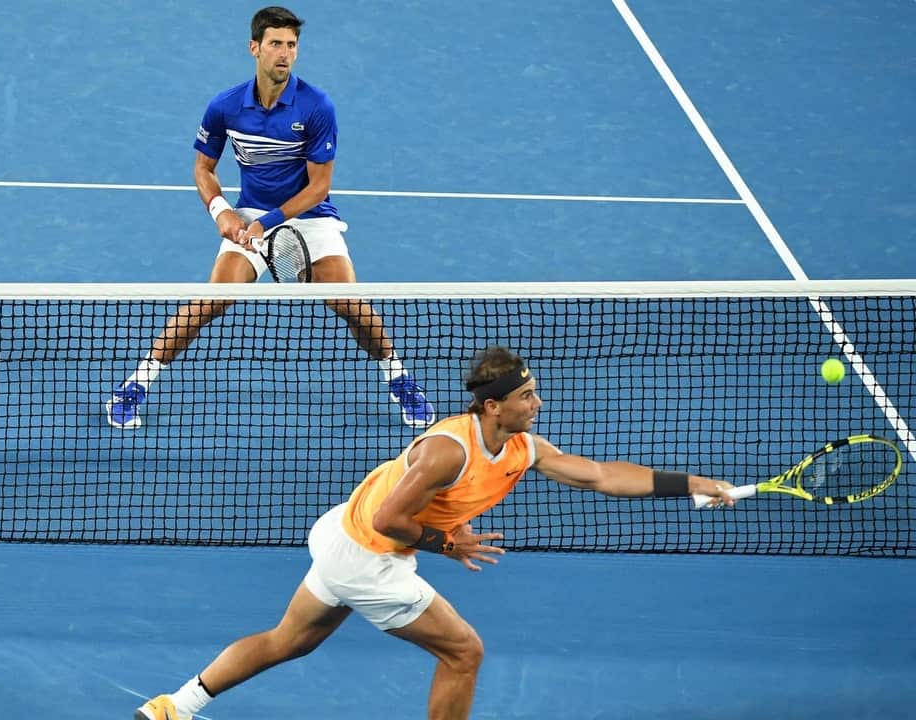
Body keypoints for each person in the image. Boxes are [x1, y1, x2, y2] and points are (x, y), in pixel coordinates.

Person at [134, 345, 736, 720]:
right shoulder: (448, 451)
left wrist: (689, 483)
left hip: (344, 539)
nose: (539, 403)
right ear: (493, 406)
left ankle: (172, 708)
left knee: (290, 640)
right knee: (464, 652)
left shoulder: (524, 447)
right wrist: (449, 544)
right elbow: (388, 520)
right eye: (527, 397)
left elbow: (602, 476)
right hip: (368, 551)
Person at [105, 6, 434, 431]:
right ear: (254, 47)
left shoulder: (317, 107)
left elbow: (318, 187)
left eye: (292, 45)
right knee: (209, 302)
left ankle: (398, 377)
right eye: (276, 44)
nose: (284, 53)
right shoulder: (225, 107)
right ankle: (137, 383)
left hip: (311, 216)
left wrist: (270, 221)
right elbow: (204, 169)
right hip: (251, 215)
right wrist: (221, 211)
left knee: (352, 305)